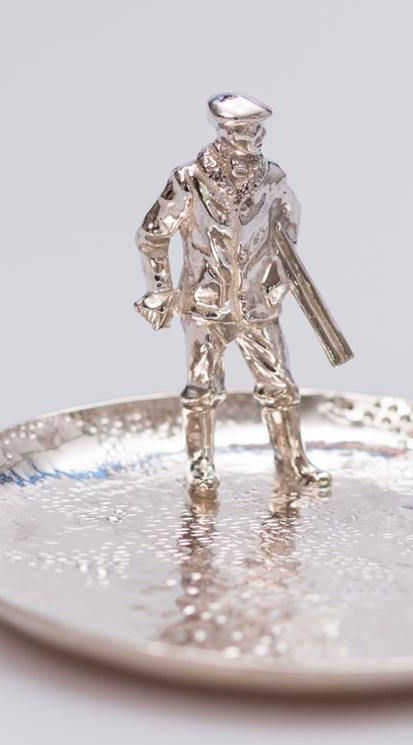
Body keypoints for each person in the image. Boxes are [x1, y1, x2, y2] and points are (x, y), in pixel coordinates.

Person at [135, 93, 330, 495]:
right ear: (223, 133)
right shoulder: (190, 180)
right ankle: (200, 467)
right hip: (205, 307)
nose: (256, 137)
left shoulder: (273, 180)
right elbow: (152, 236)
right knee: (201, 390)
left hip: (257, 308)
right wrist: (160, 290)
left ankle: (293, 462)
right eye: (246, 131)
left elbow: (289, 228)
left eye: (258, 130)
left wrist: (275, 283)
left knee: (281, 388)